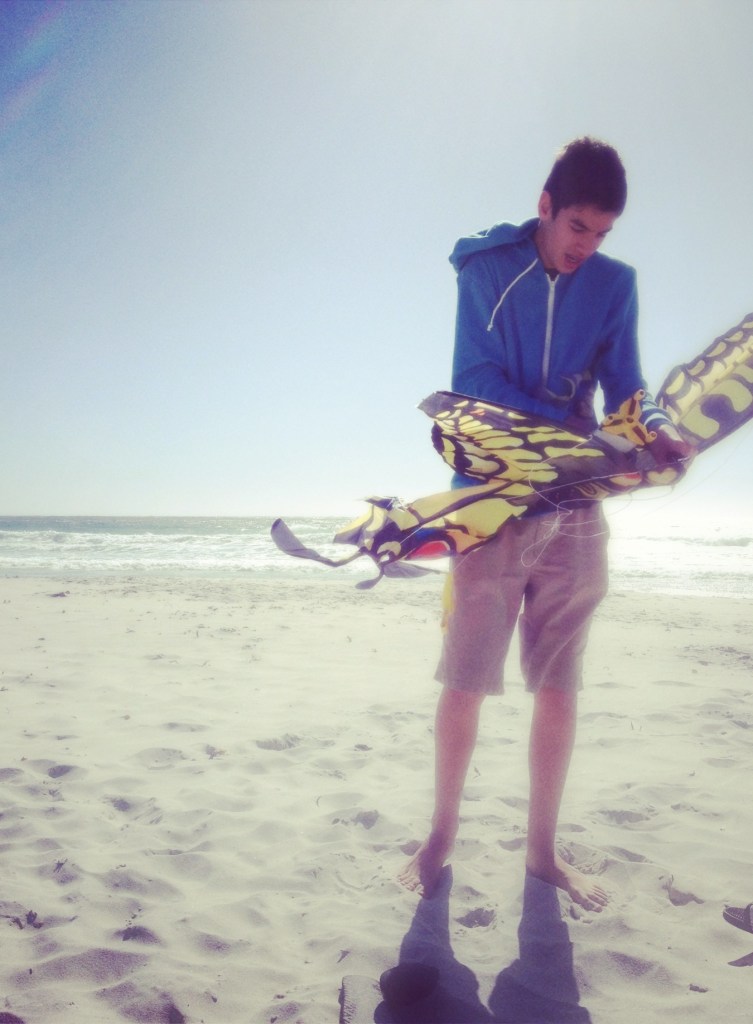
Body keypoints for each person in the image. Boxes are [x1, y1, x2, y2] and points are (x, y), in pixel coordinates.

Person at [398, 138, 693, 910]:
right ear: (544, 207)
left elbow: (626, 384)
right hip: (490, 496)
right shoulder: (487, 270)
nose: (585, 247)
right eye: (576, 229)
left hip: (574, 502)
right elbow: (474, 381)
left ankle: (541, 852)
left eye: (600, 234)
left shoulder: (613, 284)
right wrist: (578, 434)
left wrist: (653, 429)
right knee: (465, 679)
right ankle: (439, 837)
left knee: (559, 681)